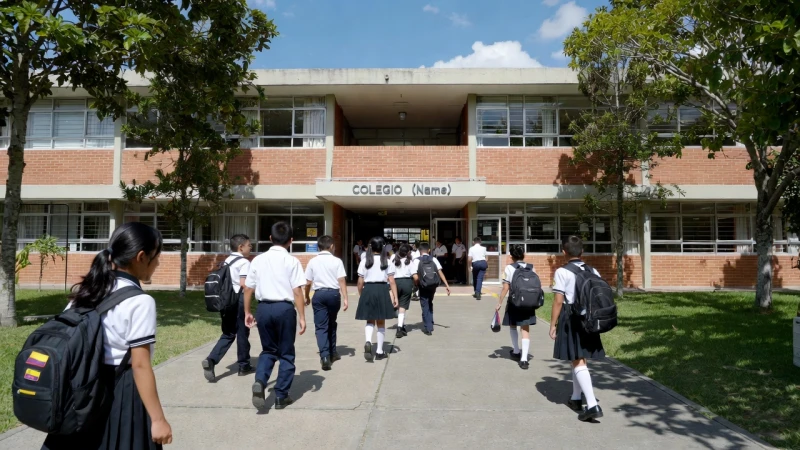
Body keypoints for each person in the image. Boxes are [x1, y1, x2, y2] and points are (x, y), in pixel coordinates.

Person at [42, 222, 172, 450]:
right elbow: (140, 365)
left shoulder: (85, 292)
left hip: (80, 391)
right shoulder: (140, 301)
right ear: (141, 257)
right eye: (156, 257)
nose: (158, 263)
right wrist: (158, 420)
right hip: (120, 394)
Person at [244, 221, 307, 411]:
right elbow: (297, 291)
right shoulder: (292, 261)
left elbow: (248, 288)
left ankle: (260, 381)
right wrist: (302, 317)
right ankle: (281, 396)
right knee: (286, 353)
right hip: (284, 309)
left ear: (270, 238)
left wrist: (247, 312)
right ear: (291, 241)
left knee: (268, 350)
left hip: (264, 308)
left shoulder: (258, 260)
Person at [550, 235, 605, 422]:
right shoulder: (593, 270)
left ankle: (592, 405)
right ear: (582, 251)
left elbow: (558, 301)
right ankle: (575, 398)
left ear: (563, 251)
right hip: (590, 318)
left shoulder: (562, 272)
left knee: (578, 360)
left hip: (571, 317)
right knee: (578, 358)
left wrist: (552, 324)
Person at [202, 234, 253, 381]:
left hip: (225, 302)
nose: (251, 248)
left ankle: (211, 360)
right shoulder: (244, 262)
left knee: (228, 333)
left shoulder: (226, 261)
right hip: (238, 301)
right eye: (249, 245)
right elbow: (244, 284)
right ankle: (244, 365)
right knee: (242, 332)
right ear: (241, 247)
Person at [304, 235, 349, 371]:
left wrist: (307, 296)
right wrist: (345, 298)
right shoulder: (337, 261)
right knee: (332, 323)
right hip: (333, 294)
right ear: (331, 246)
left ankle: (324, 356)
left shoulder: (313, 261)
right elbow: (341, 280)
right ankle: (333, 352)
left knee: (321, 326)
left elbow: (308, 282)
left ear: (318, 247)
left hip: (319, 294)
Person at [356, 237, 399, 361]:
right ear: (383, 247)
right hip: (382, 289)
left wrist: (361, 294)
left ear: (370, 247)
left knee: (370, 320)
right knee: (381, 321)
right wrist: (395, 297)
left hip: (368, 289)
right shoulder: (387, 261)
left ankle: (368, 341)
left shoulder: (364, 261)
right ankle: (380, 351)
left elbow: (360, 282)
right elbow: (392, 281)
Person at [495, 245, 536, 370]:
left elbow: (506, 287)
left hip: (514, 301)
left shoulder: (509, 268)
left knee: (513, 325)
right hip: (528, 302)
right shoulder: (531, 267)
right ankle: (524, 359)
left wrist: (499, 302)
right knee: (525, 328)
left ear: (511, 256)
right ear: (524, 255)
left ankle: (516, 351)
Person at [411, 242, 451, 336]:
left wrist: (417, 284)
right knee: (430, 302)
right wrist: (447, 285)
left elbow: (415, 276)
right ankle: (431, 321)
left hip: (423, 285)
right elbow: (440, 272)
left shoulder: (416, 261)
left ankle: (428, 327)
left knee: (424, 304)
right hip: (433, 285)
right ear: (429, 250)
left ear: (419, 251)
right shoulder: (434, 259)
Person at [391, 244, 415, 338]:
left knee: (398, 305)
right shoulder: (409, 262)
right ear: (408, 252)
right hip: (406, 282)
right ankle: (400, 327)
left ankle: (401, 324)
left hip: (395, 282)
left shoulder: (394, 260)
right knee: (403, 306)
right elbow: (415, 275)